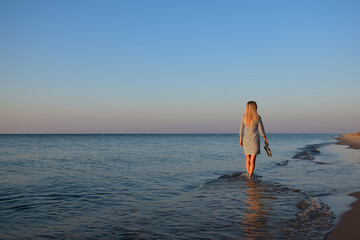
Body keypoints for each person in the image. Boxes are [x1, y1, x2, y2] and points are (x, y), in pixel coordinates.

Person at [239, 101, 268, 178]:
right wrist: (265, 139)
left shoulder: (244, 117)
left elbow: (241, 129)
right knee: (252, 160)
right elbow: (261, 130)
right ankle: (250, 177)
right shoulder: (257, 117)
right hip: (254, 141)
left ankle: (248, 175)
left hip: (246, 140)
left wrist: (240, 139)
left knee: (247, 158)